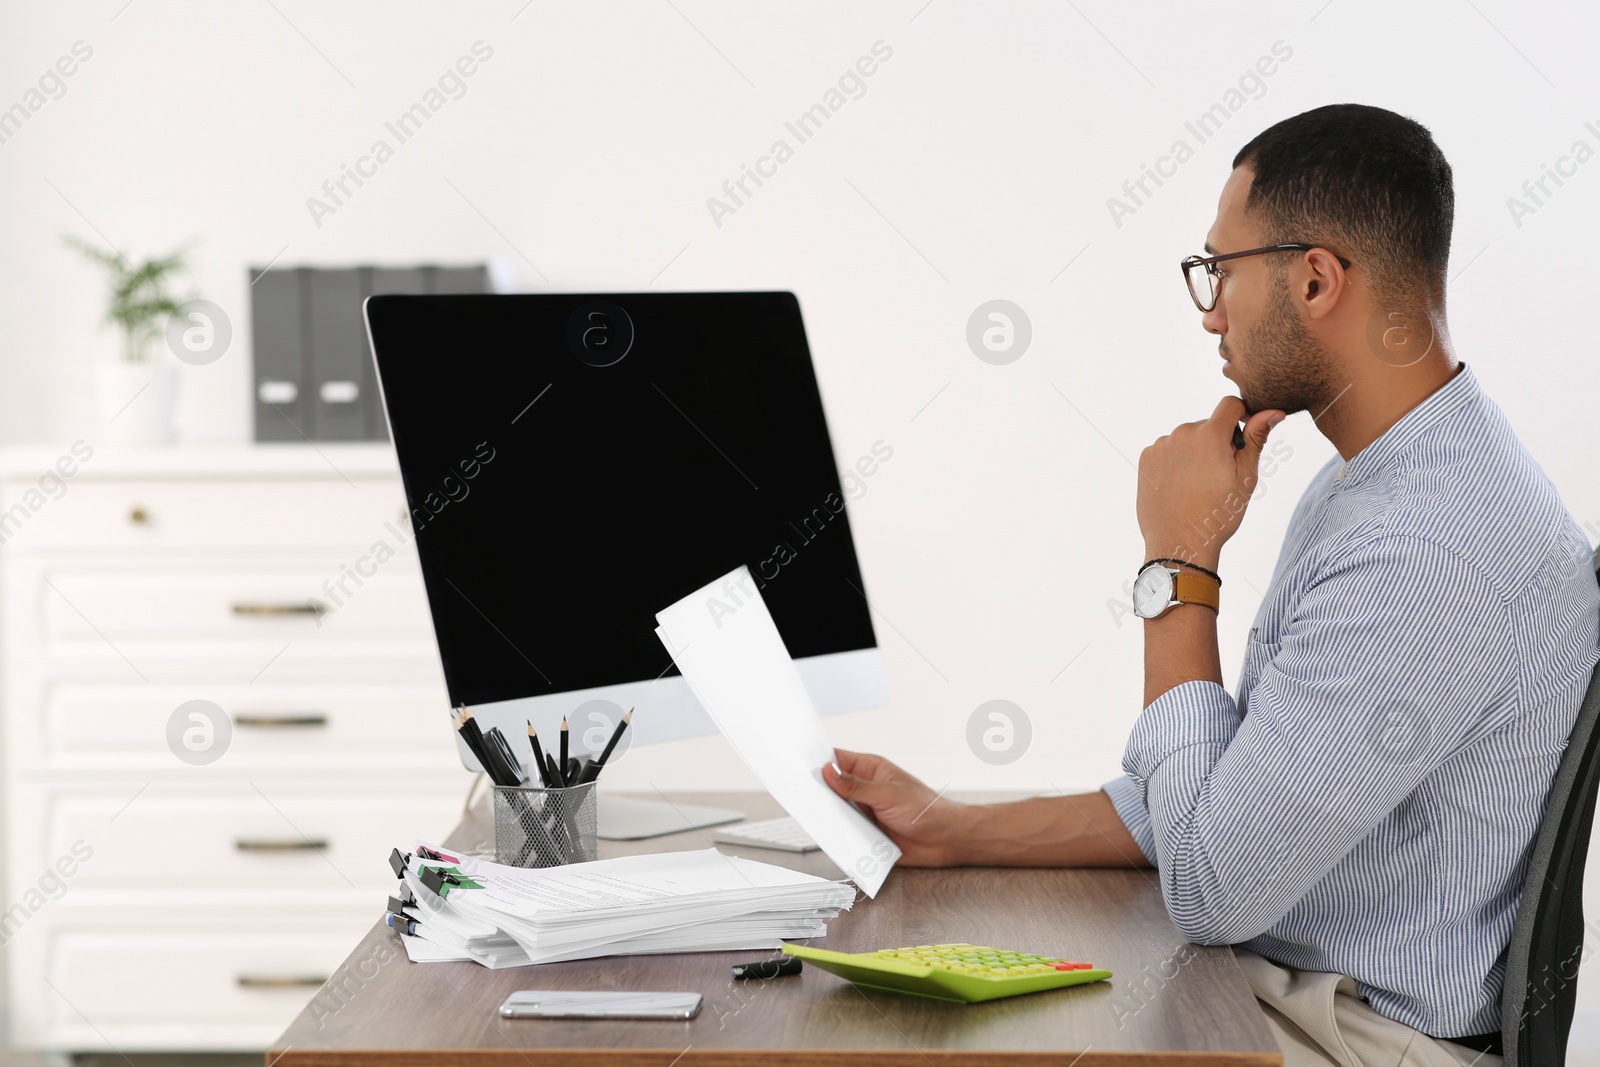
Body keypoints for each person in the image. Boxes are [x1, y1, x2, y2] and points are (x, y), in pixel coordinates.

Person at [823, 103, 1600, 1067]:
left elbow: (1213, 884)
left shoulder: (1432, 548)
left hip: (1364, 1038)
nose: (1208, 310)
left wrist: (1178, 566)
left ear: (1315, 278)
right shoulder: (1379, 482)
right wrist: (953, 827)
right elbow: (1222, 802)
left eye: (1219, 270)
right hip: (1295, 995)